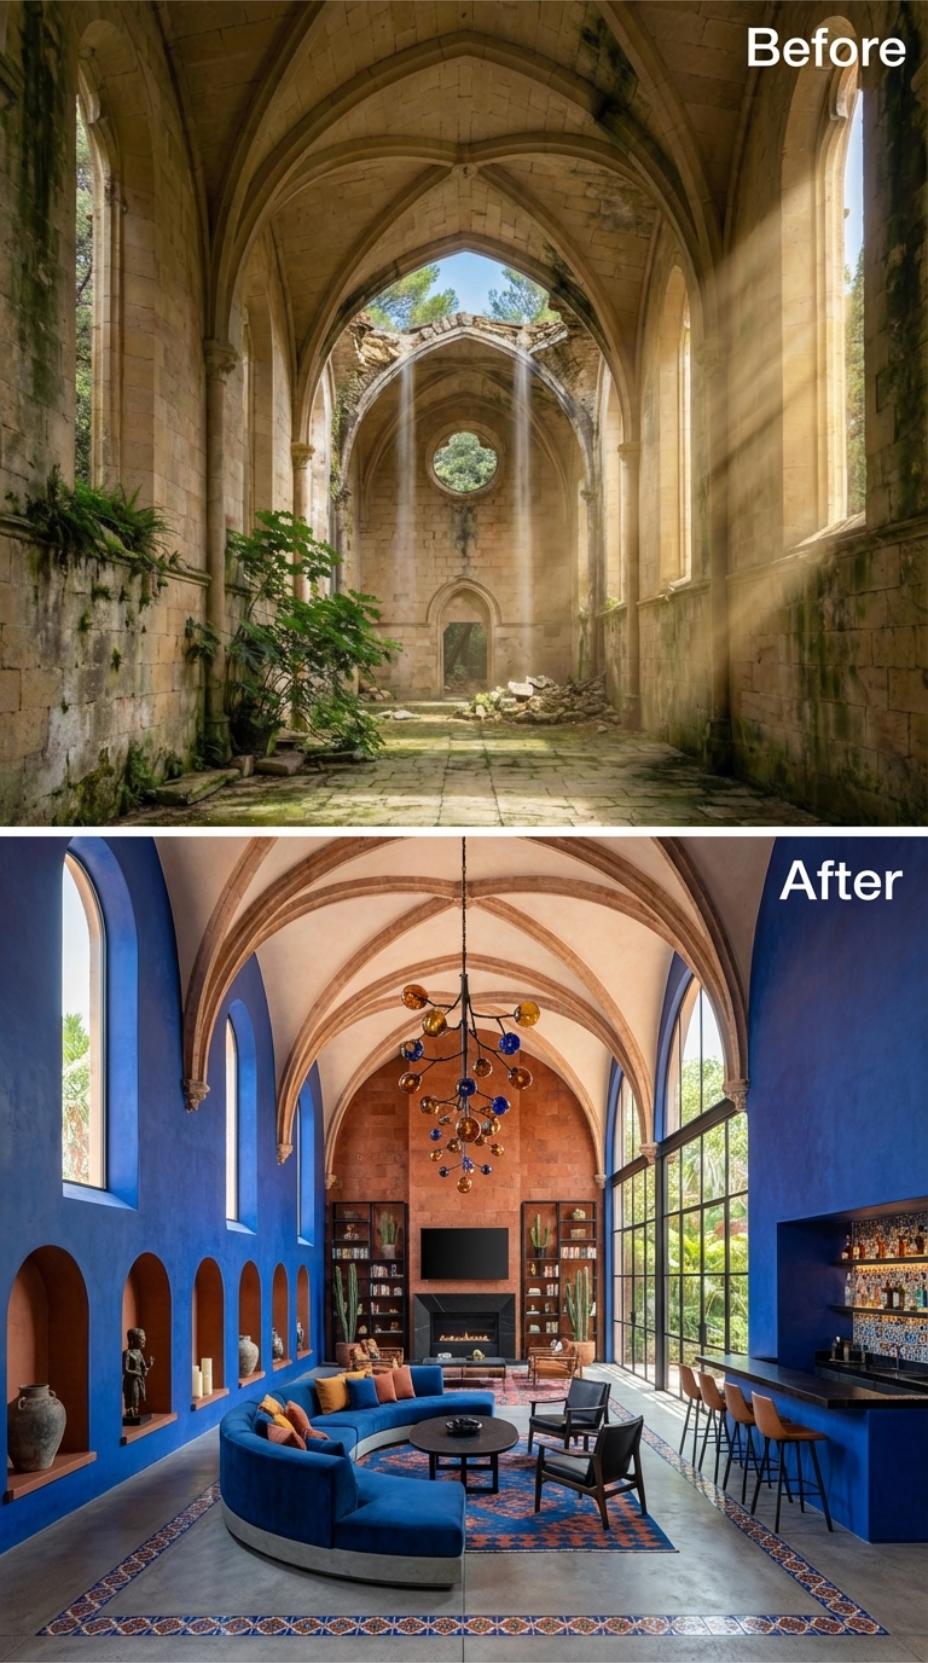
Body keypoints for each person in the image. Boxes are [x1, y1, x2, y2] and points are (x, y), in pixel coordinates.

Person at [122, 1327, 154, 1422]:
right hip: (130, 1382)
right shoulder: (127, 1353)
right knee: (131, 1396)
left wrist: (148, 1365)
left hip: (138, 1380)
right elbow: (125, 1370)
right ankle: (130, 1411)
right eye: (141, 1338)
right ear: (132, 1340)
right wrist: (138, 1373)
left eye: (144, 1338)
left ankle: (135, 1411)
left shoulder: (139, 1353)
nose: (144, 1340)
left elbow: (143, 1369)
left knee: (137, 1397)